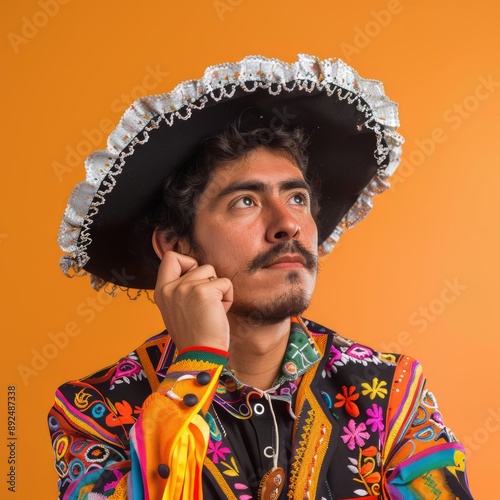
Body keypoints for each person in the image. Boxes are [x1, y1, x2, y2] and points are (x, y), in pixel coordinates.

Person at [49, 54, 473, 499]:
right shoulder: (93, 413)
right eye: (245, 201)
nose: (287, 223)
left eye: (296, 197)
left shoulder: (391, 396)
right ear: (177, 246)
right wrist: (195, 365)